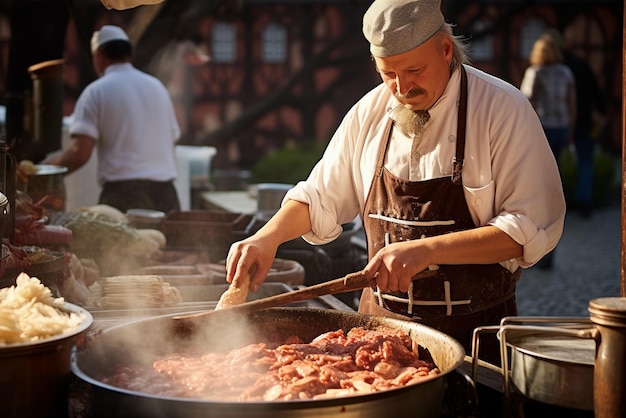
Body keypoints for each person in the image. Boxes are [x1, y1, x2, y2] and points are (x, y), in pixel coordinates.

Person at [225, 0, 565, 363]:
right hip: (376, 336)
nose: (402, 87)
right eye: (388, 73)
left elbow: (524, 229)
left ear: (446, 50)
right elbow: (320, 195)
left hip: (474, 339)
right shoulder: (369, 112)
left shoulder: (502, 110)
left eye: (414, 70)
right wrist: (268, 236)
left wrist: (426, 250)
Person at [43, 25, 181, 213]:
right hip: (166, 194)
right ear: (128, 54)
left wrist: (45, 171)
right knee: (173, 242)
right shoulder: (157, 87)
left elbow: (79, 154)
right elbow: (172, 138)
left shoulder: (96, 92)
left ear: (99, 56)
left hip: (124, 195)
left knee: (123, 243)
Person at [520, 36, 575, 269]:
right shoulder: (565, 72)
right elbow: (573, 103)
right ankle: (549, 246)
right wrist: (571, 128)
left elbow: (524, 102)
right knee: (553, 183)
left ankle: (539, 248)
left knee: (536, 186)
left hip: (541, 130)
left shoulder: (536, 72)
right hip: (561, 128)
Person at [543, 28, 607, 219]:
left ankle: (557, 203)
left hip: (557, 122)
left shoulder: (546, 67)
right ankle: (584, 200)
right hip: (583, 120)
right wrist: (602, 110)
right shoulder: (579, 63)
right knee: (585, 161)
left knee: (554, 163)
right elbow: (595, 89)